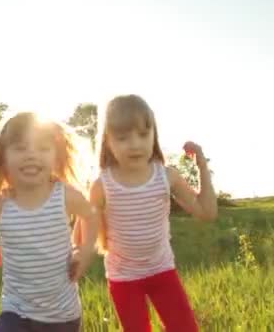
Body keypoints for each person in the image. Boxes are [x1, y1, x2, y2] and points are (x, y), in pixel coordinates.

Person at [88, 94, 217, 332]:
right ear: (108, 141)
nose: (135, 144)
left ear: (154, 136)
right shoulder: (102, 185)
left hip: (162, 270)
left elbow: (206, 213)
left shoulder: (166, 177)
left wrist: (202, 166)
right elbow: (83, 234)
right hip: (123, 278)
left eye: (143, 134)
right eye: (123, 137)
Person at [0, 112, 99, 332]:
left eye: (43, 149)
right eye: (20, 148)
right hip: (16, 310)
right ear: (3, 158)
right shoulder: (0, 204)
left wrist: (84, 251)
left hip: (61, 315)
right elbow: (18, 231)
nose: (31, 156)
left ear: (56, 157)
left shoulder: (64, 196)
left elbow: (91, 215)